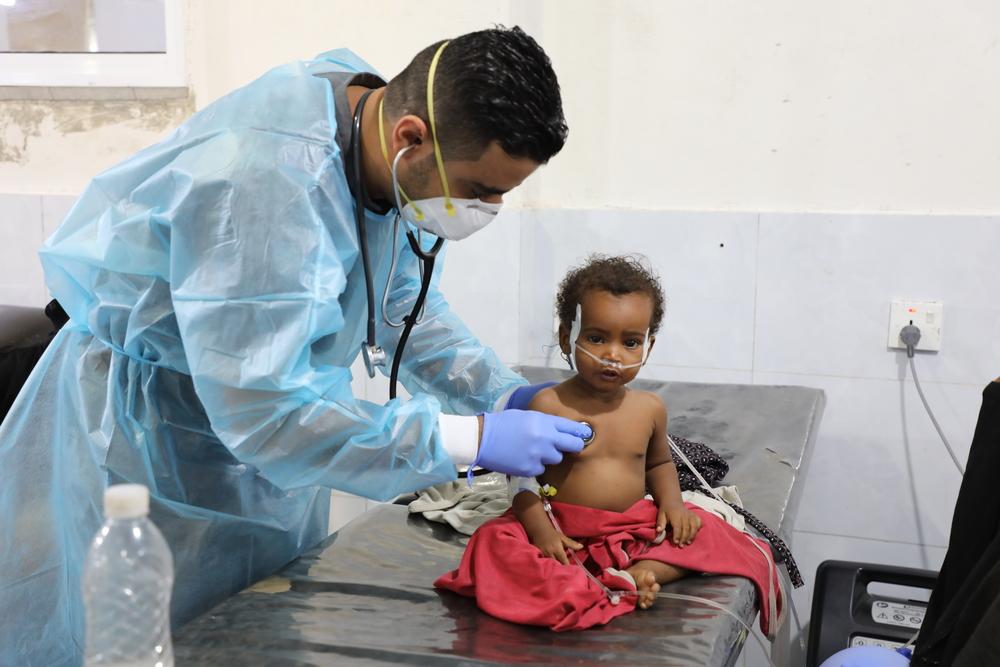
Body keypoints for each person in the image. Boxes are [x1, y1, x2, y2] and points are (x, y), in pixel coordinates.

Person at [0, 27, 589, 665]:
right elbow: (268, 412)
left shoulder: (368, 131)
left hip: (258, 453)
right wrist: (470, 441)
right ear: (410, 136)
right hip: (152, 437)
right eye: (478, 189)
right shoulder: (264, 183)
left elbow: (397, 304)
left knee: (255, 625)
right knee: (147, 636)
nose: (489, 207)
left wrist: (503, 391)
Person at [435, 255, 783, 633]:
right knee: (493, 543)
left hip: (631, 526)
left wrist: (673, 505)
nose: (613, 355)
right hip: (564, 529)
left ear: (649, 345)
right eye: (597, 338)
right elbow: (523, 483)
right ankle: (587, 583)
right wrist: (541, 532)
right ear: (567, 337)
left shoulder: (649, 409)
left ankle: (640, 574)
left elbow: (659, 465)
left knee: (713, 534)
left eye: (630, 342)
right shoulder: (548, 406)